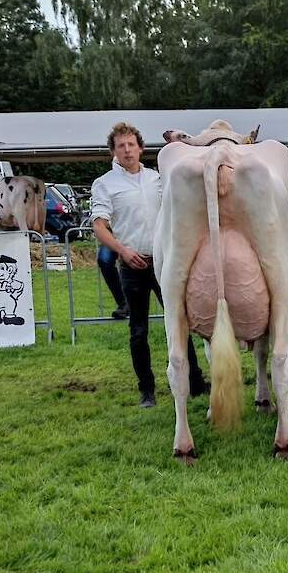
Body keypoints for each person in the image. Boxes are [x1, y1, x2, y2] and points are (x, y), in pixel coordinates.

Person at [91, 122, 208, 407]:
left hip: (165, 262)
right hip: (132, 264)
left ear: (141, 148)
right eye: (121, 146)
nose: (127, 150)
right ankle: (147, 390)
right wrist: (122, 250)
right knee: (139, 329)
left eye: (131, 144)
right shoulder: (105, 184)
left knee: (180, 321)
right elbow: (99, 225)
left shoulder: (158, 178)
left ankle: (195, 382)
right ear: (114, 151)